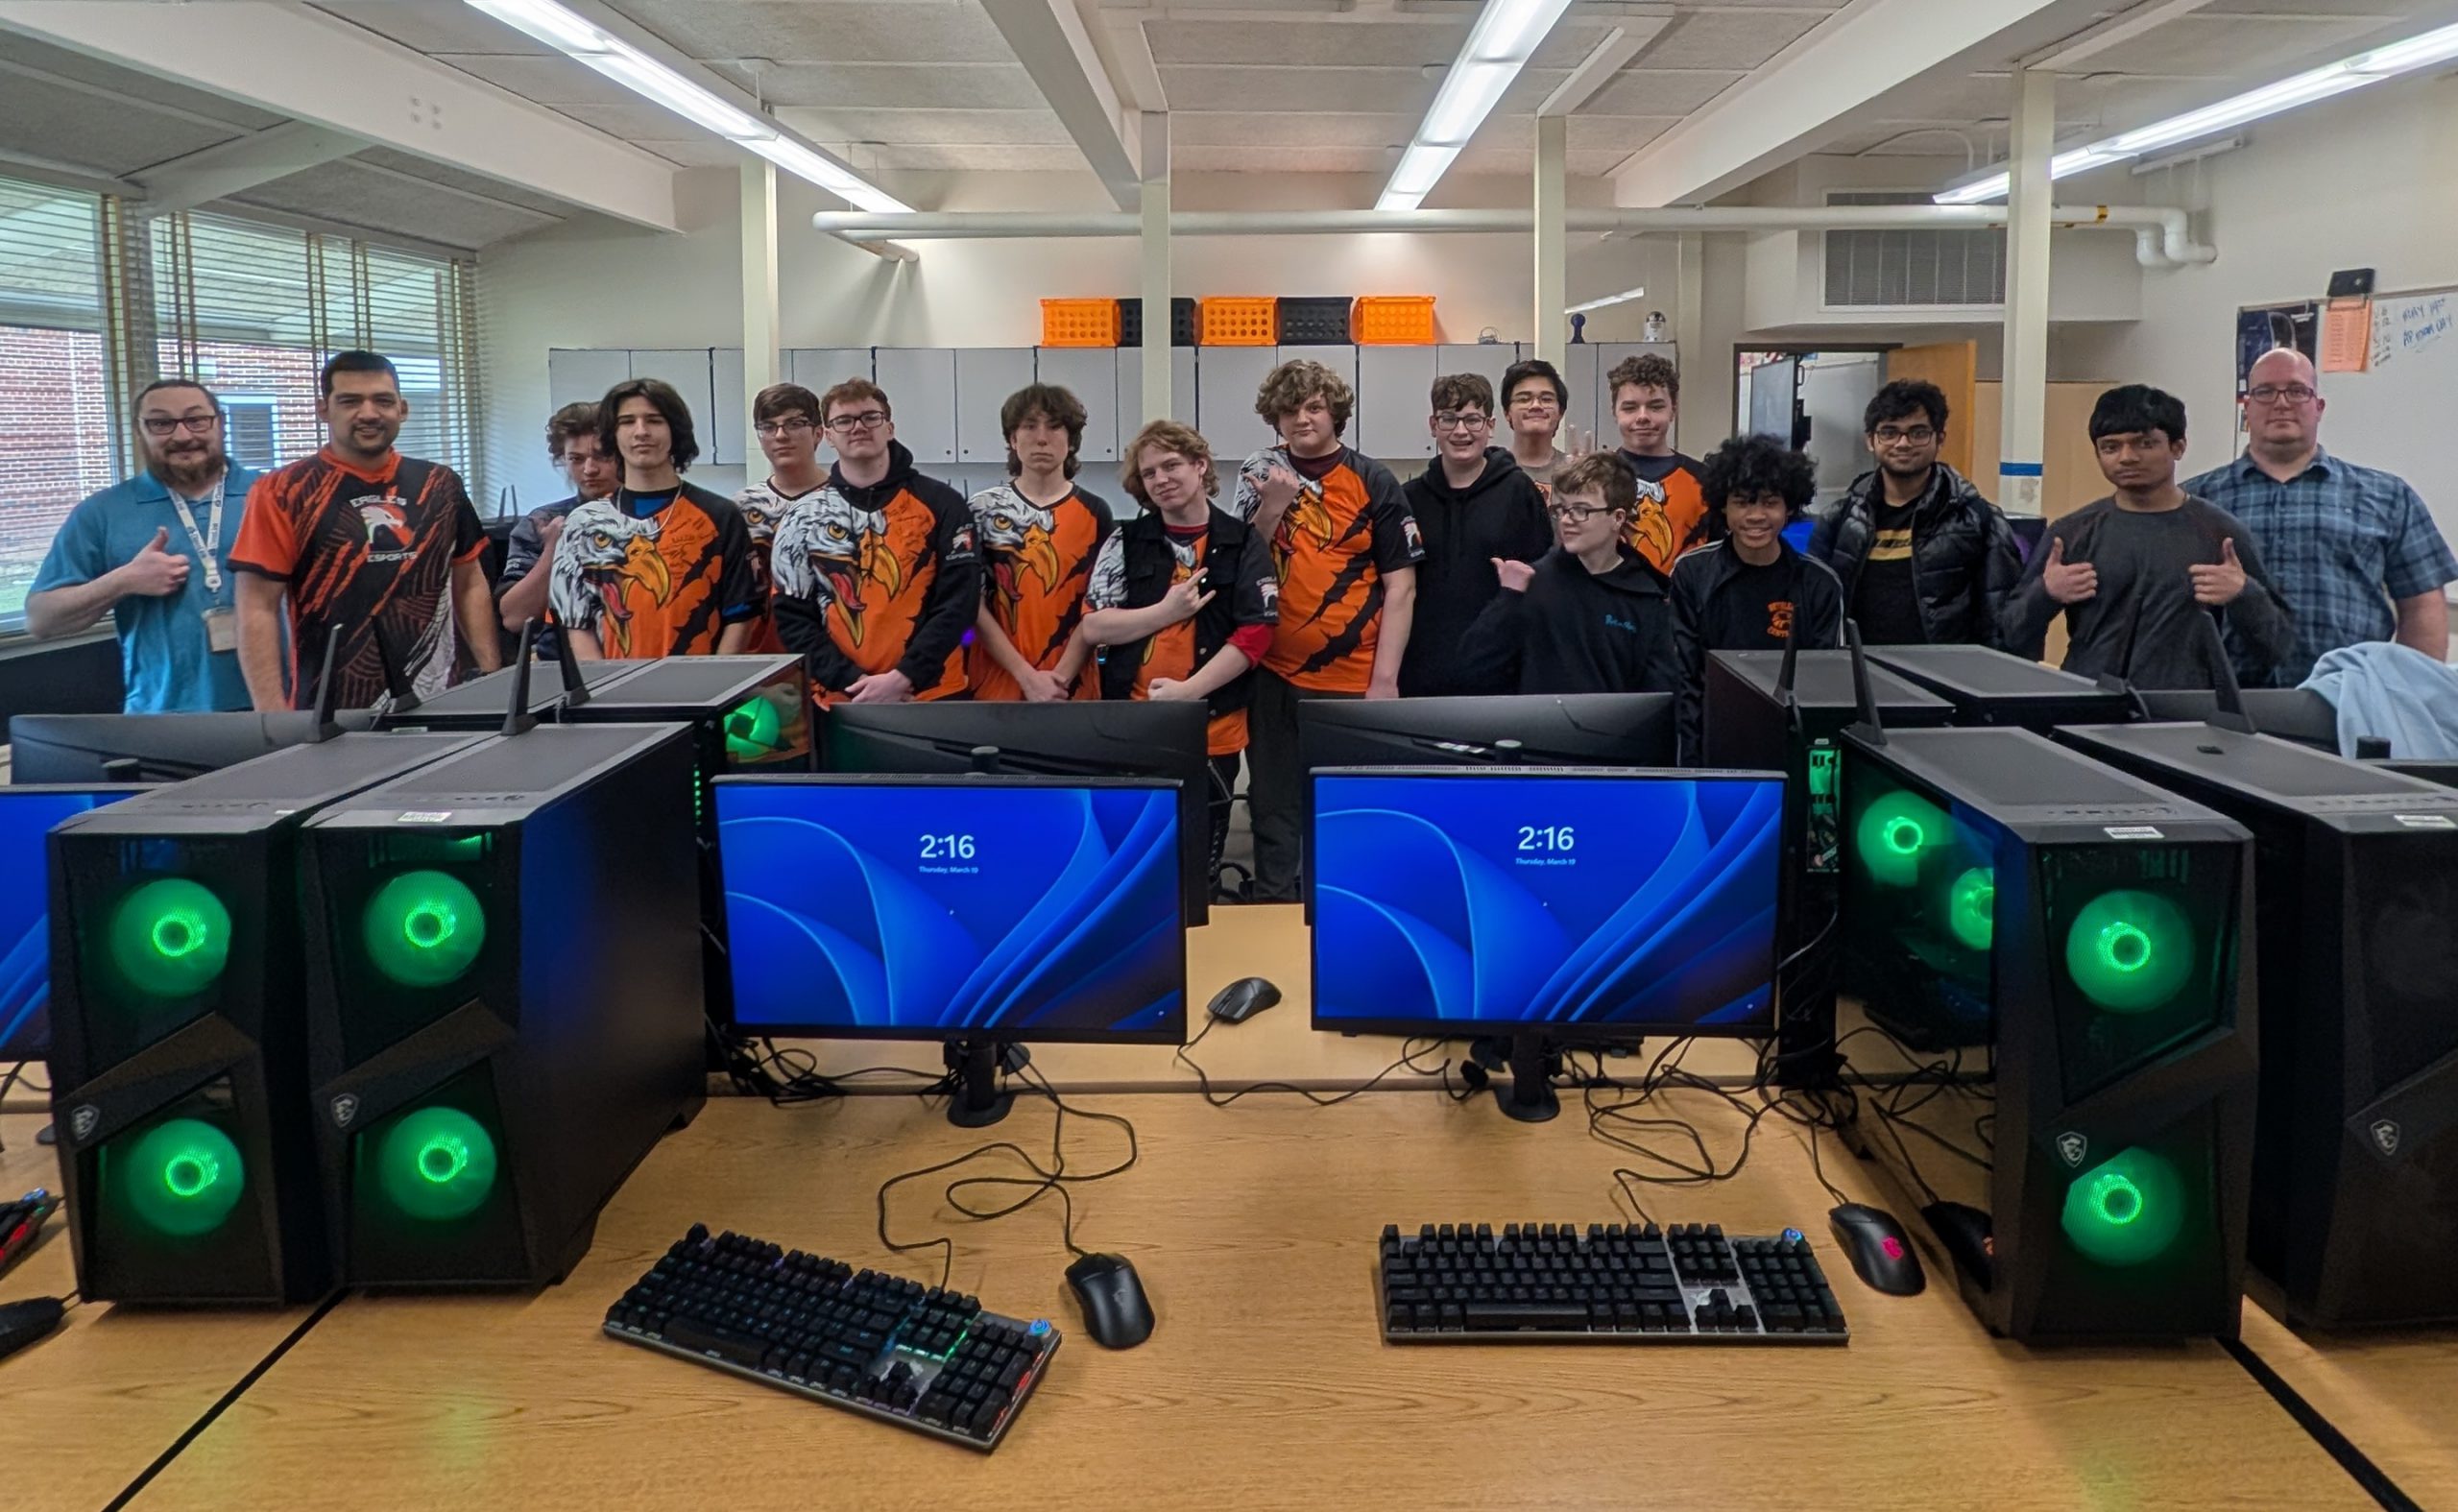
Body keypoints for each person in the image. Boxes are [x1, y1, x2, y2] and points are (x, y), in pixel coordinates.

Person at [1232, 358, 1421, 902]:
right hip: (1272, 673)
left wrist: (1385, 681)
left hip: (1352, 677)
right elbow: (1238, 564)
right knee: (1272, 801)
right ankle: (1273, 902)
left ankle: (1349, 906)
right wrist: (1272, 507)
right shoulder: (1259, 474)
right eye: (1289, 410)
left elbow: (1402, 586)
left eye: (1314, 407)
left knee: (1348, 805)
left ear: (1335, 412)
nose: (1302, 419)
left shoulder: (1373, 479)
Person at [1061, 420, 1276, 883]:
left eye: (1171, 465)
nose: (1161, 479)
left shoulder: (1241, 542)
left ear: (1200, 466)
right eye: (1149, 473)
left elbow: (1256, 634)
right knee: (1132, 864)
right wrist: (1165, 612)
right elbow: (1095, 624)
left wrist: (1189, 692)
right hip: (1132, 727)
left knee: (1200, 865)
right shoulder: (1125, 541)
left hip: (1213, 726)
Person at [231, 350, 497, 710]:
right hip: (329, 710)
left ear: (402, 409)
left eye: (383, 401)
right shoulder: (282, 491)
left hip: (441, 699)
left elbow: (469, 583)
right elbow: (257, 608)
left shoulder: (441, 484)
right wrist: (271, 716)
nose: (369, 413)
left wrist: (491, 678)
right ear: (323, 410)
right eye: (350, 401)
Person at [2186, 347, 2458, 685]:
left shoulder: (2388, 496)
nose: (2281, 403)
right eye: (2265, 392)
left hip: (2350, 694)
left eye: (2297, 391)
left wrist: (2411, 692)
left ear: (2319, 407)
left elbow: (2421, 603)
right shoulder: (2197, 500)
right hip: (2223, 696)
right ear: (2247, 407)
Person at [2001, 385, 2295, 690]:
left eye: (2144, 444)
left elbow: (2278, 646)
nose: (2127, 458)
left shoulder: (2221, 534)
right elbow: (2010, 633)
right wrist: (2046, 593)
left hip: (2183, 708)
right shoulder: (2071, 534)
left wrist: (2244, 594)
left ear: (2178, 447)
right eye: (2110, 447)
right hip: (2087, 703)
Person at [27, 378, 258, 712]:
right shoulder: (103, 512)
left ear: (220, 423)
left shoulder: (272, 494)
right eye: (161, 423)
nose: (183, 436)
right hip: (163, 716)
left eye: (196, 419)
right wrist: (123, 581)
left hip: (278, 707)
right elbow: (41, 620)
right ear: (139, 431)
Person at [770, 377, 979, 705]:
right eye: (844, 420)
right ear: (828, 436)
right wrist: (853, 682)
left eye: (870, 417)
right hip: (840, 699)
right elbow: (793, 618)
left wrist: (905, 677)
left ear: (889, 428)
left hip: (933, 695)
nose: (858, 427)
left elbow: (960, 601)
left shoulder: (943, 503)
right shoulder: (802, 517)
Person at [547, 378, 759, 660]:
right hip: (609, 684)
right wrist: (603, 685)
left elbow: (741, 616)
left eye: (654, 420)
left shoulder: (720, 515)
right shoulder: (582, 524)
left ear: (675, 430)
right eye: (627, 421)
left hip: (703, 682)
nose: (641, 432)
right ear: (612, 435)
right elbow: (575, 623)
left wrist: (715, 682)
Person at [1808, 378, 2021, 649]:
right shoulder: (1840, 520)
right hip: (1856, 669)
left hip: (1943, 671)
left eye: (1918, 433)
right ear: (1871, 440)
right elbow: (1815, 610)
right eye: (1889, 432)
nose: (1903, 443)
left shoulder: (1977, 518)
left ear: (1940, 438)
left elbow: (2000, 617)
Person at [1671, 434, 1844, 761]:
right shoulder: (1691, 573)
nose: (1755, 516)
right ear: (1724, 505)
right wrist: (1692, 769)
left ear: (1789, 506)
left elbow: (1824, 689)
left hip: (1790, 747)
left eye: (1769, 502)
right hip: (1713, 744)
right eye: (1742, 502)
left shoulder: (1820, 584)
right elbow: (1686, 681)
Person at [1457, 453, 1679, 696]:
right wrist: (1508, 600)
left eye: (1581, 510)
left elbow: (1659, 695)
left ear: (1617, 518)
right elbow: (1473, 670)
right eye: (1562, 509)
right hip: (1540, 719)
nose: (1566, 520)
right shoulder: (1533, 583)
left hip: (1614, 721)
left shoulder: (1645, 596)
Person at [1398, 372, 1552, 697]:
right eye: (1448, 419)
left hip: (1500, 672)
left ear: (1491, 425)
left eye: (1472, 420)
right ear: (1433, 425)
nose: (1461, 431)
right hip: (1421, 672)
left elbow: (1541, 582)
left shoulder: (1518, 491)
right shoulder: (1410, 499)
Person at [969, 383, 1114, 701]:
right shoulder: (982, 510)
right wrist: (1027, 677)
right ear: (1012, 439)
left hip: (1073, 688)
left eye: (1054, 426)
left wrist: (1058, 680)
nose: (1042, 438)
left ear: (1071, 440)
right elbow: (971, 605)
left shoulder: (1095, 512)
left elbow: (1098, 609)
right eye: (1030, 426)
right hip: (995, 686)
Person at [494, 401, 614, 658]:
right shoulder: (543, 522)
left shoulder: (650, 518)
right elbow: (514, 618)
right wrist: (555, 549)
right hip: (558, 659)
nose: (589, 469)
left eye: (602, 456)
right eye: (576, 459)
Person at [730, 382, 834, 655]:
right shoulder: (740, 508)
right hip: (761, 654)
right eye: (768, 426)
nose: (780, 435)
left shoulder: (844, 504)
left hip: (835, 653)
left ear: (818, 433)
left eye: (794, 424)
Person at [1605, 352, 1709, 575]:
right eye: (1630, 408)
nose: (1643, 417)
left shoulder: (1703, 480)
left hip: (1682, 594)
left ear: (1673, 410)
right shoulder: (1599, 476)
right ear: (1614, 412)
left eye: (1655, 406)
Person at [1501, 356, 1584, 493]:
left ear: (1561, 412)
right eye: (1524, 399)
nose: (1536, 406)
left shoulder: (1575, 470)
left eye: (1546, 399)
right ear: (1507, 412)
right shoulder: (1492, 473)